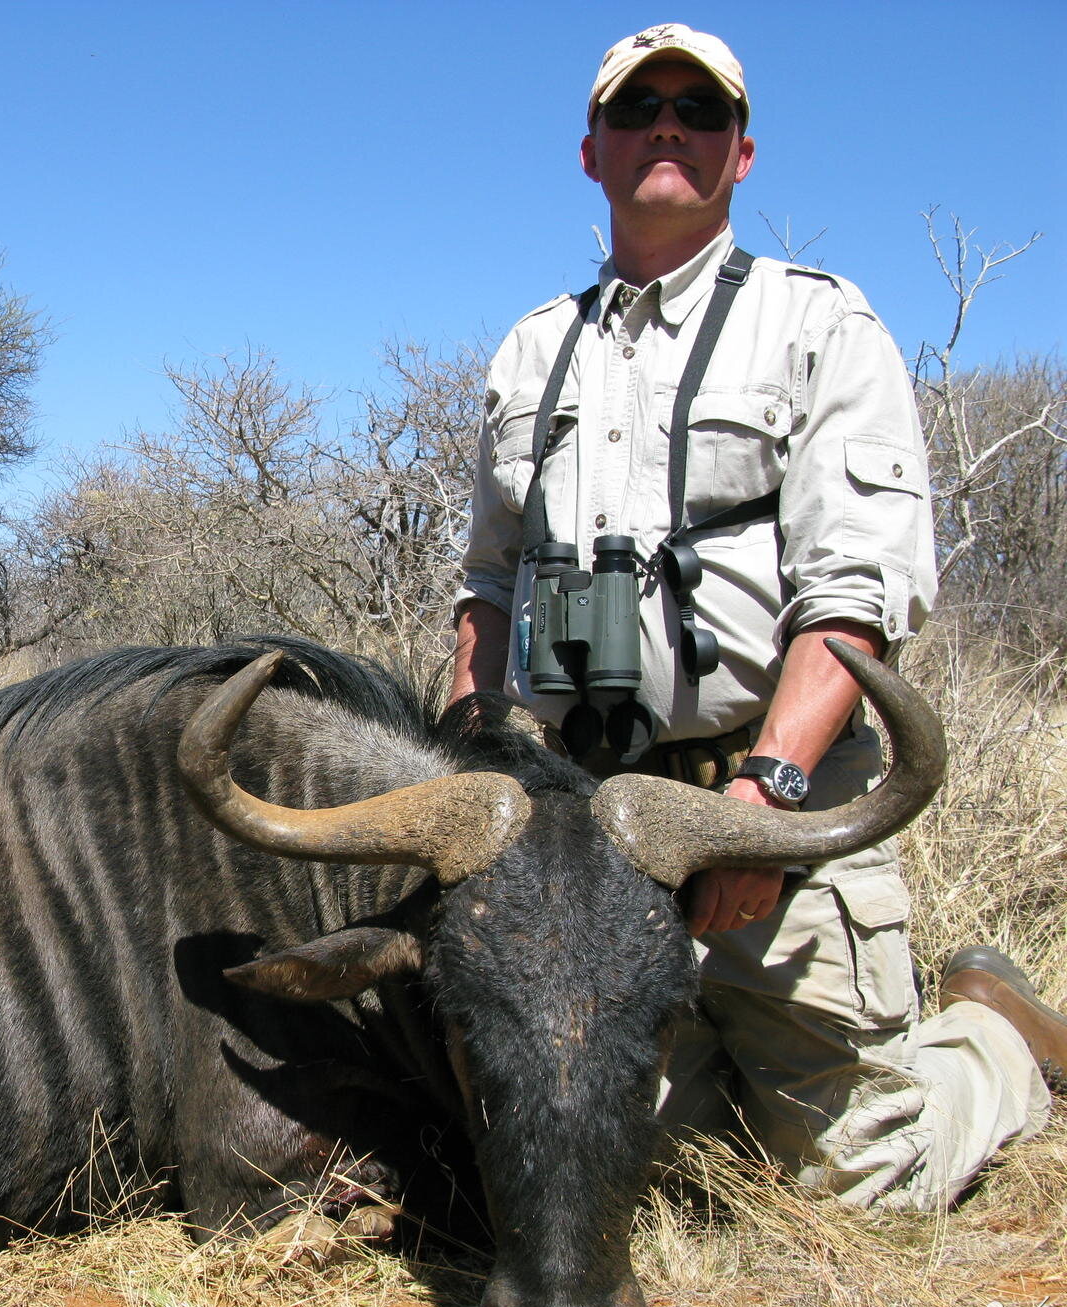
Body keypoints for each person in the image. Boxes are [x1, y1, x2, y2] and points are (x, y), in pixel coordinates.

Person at [447, 22, 1063, 1209]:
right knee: (597, 1166)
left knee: (853, 1181)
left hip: (773, 805)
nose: (667, 126)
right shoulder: (531, 352)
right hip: (592, 822)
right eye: (639, 110)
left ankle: (994, 1038)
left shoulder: (819, 324)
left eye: (699, 110)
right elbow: (488, 583)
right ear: (593, 152)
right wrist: (478, 764)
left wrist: (761, 803)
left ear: (743, 153)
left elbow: (856, 597)